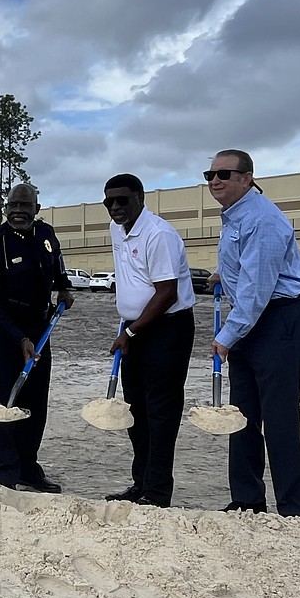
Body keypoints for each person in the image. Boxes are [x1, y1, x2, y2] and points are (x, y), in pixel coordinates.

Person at [207, 149, 300, 518]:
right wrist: (223, 274)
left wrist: (226, 337)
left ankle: (295, 511)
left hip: (279, 319)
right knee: (242, 415)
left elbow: (258, 289)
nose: (215, 180)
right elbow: (247, 268)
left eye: (224, 173)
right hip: (251, 318)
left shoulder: (262, 218)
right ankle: (247, 500)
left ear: (247, 178)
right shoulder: (235, 215)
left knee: (279, 417)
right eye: (210, 175)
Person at [102, 173, 195, 508]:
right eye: (109, 201)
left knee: (160, 413)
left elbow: (167, 293)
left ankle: (157, 492)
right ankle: (141, 483)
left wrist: (130, 332)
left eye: (122, 200)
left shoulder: (159, 235)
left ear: (140, 198)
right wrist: (129, 326)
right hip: (135, 329)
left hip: (166, 329)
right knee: (136, 411)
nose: (115, 207)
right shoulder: (117, 228)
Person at [0, 183, 73, 493]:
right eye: (13, 205)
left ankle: (28, 469)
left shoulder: (45, 234)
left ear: (36, 209)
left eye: (25, 206)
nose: (18, 211)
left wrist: (64, 288)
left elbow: (56, 264)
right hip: (3, 334)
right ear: (6, 209)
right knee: (4, 404)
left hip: (39, 329)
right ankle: (5, 475)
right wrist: (19, 340)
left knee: (35, 403)